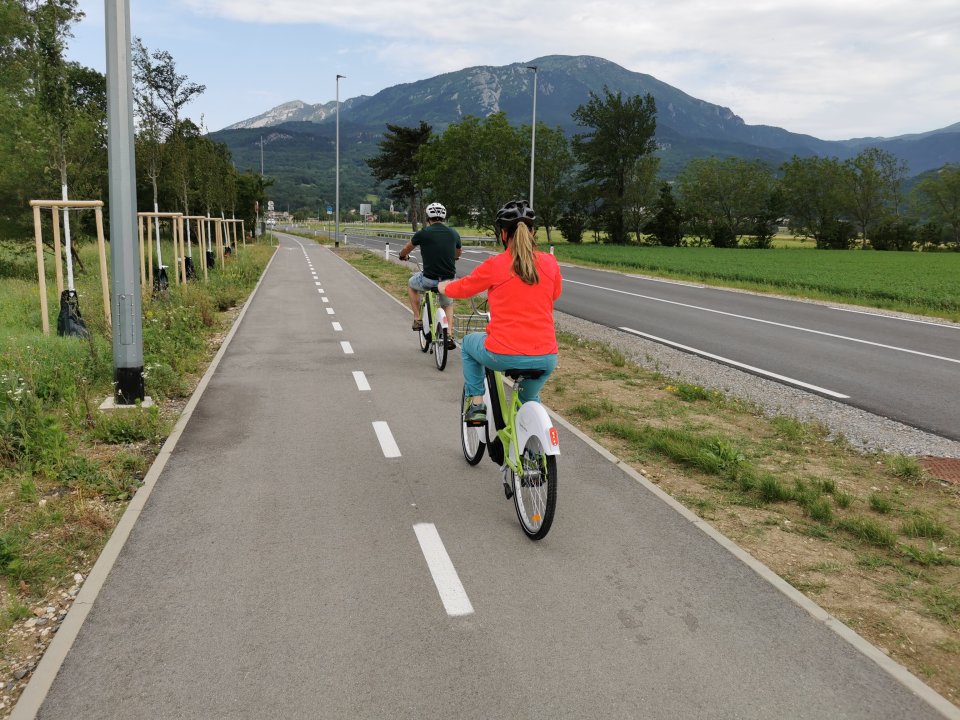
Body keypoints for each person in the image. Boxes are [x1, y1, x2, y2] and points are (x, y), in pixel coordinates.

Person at [438, 200, 562, 423]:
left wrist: (444, 287)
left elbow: (464, 288)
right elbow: (554, 294)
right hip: (546, 356)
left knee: (468, 343)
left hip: (503, 353)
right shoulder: (550, 262)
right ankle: (530, 436)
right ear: (533, 233)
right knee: (528, 398)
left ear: (504, 234)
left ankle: (477, 403)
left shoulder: (496, 264)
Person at [398, 202, 461, 349]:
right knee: (447, 304)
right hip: (447, 281)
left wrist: (402, 255)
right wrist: (454, 257)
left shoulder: (423, 233)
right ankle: (449, 335)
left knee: (411, 284)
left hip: (428, 279)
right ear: (444, 217)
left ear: (428, 217)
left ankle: (417, 319)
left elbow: (407, 247)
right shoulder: (453, 233)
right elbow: (458, 252)